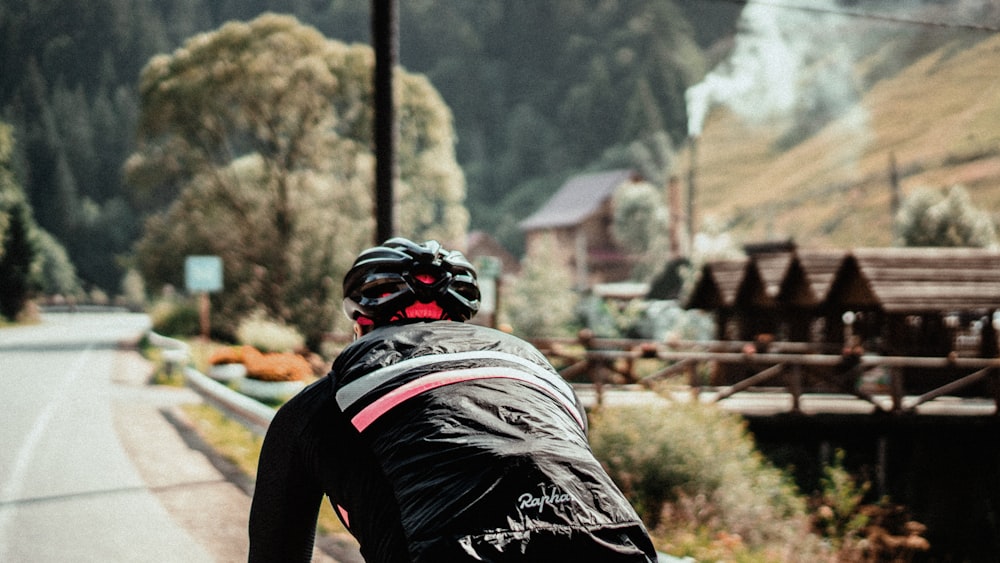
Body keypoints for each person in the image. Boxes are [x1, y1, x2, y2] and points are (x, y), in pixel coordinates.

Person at [248, 237, 658, 562]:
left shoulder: (318, 407)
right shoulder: (539, 377)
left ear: (361, 324)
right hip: (617, 544)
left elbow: (277, 549)